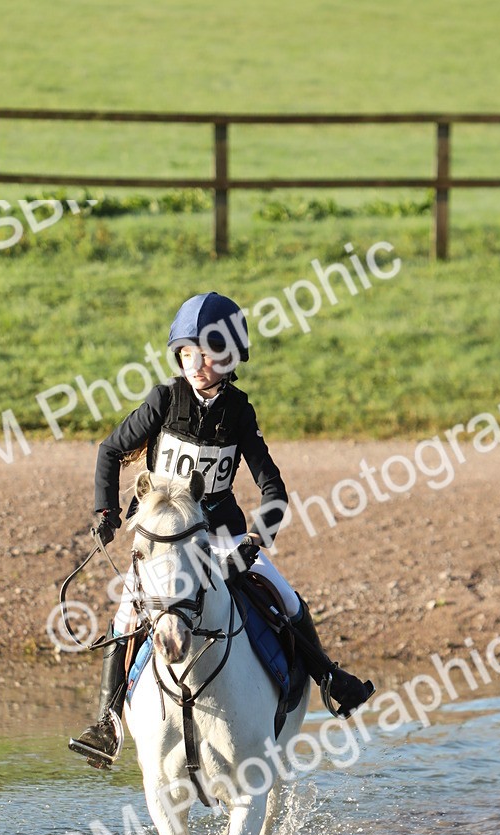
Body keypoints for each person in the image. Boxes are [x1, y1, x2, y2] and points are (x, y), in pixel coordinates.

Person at [69, 292, 373, 767]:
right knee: (127, 613)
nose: (196, 363)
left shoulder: (240, 413)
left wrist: (254, 542)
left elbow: (274, 491)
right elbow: (110, 450)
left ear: (231, 359)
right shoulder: (164, 400)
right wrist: (106, 513)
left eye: (208, 355)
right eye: (188, 352)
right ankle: (107, 721)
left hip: (218, 533)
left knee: (286, 597)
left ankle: (330, 678)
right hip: (163, 535)